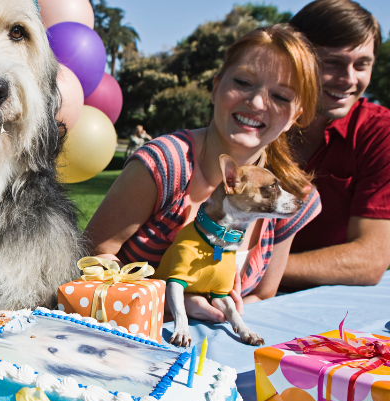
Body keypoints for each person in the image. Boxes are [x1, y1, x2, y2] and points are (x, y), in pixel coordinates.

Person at [85, 25, 321, 324]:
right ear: (215, 86)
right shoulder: (164, 165)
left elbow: (262, 295)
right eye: (243, 82)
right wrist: (168, 301)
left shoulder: (293, 197)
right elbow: (89, 258)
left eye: (281, 96)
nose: (258, 102)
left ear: (294, 118)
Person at [282, 0, 390, 289]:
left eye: (362, 65)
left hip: (328, 306)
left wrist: (252, 270)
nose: (348, 79)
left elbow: (369, 260)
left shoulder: (380, 131)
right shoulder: (258, 119)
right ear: (296, 57)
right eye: (333, 62)